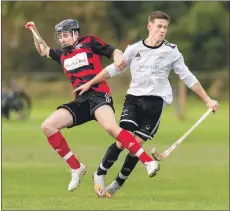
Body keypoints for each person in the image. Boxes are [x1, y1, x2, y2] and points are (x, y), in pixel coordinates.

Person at [74, 11, 219, 197]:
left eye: (165, 27)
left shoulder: (171, 51)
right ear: (149, 26)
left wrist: (208, 100)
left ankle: (118, 183)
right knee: (123, 140)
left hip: (156, 102)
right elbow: (112, 70)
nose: (162, 31)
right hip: (133, 99)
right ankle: (100, 172)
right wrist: (89, 83)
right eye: (159, 26)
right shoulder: (134, 49)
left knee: (137, 144)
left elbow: (188, 78)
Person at [25, 19, 159, 194]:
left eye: (65, 35)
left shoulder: (89, 41)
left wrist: (119, 57)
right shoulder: (61, 54)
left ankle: (148, 161)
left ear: (75, 33)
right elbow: (43, 49)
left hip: (98, 95)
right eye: (59, 37)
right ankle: (76, 167)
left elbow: (114, 51)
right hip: (80, 101)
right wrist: (34, 30)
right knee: (48, 126)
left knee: (112, 128)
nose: (62, 39)